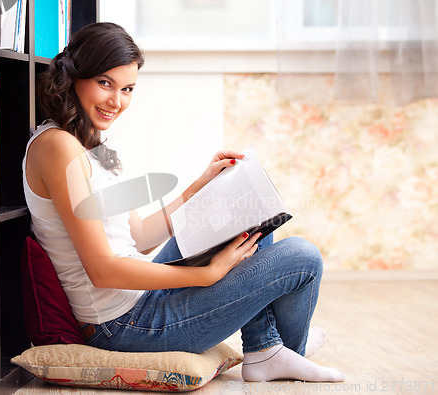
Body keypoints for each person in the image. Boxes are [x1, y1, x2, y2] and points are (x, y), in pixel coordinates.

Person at [23, 22, 344, 383]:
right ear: (75, 77)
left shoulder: (91, 144)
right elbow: (103, 270)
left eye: (127, 89)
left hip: (138, 303)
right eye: (105, 83)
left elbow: (141, 236)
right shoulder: (58, 147)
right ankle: (280, 348)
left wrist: (200, 185)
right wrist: (204, 275)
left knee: (247, 218)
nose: (116, 101)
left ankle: (267, 347)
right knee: (302, 257)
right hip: (121, 327)